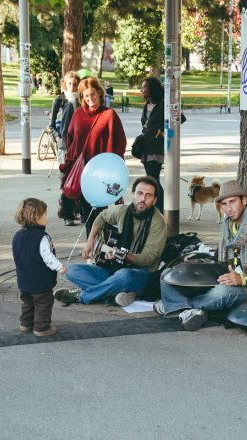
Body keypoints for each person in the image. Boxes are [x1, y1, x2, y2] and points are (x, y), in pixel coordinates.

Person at [154, 180, 247, 332]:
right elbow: (217, 259)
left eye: (232, 202)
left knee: (222, 293)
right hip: (225, 278)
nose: (228, 208)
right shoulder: (228, 226)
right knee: (169, 273)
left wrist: (243, 279)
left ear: (244, 200)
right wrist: (194, 262)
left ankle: (176, 306)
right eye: (224, 204)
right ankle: (193, 311)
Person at [54, 176, 167, 307]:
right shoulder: (123, 211)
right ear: (133, 194)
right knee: (70, 270)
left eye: (148, 195)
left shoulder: (158, 222)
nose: (143, 199)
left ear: (155, 200)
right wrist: (90, 241)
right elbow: (102, 217)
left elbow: (148, 259)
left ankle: (84, 296)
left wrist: (122, 255)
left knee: (124, 276)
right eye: (140, 193)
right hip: (113, 269)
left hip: (141, 275)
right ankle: (115, 294)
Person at [59, 76, 127, 236]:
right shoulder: (77, 115)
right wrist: (69, 164)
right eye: (86, 96)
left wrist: (115, 169)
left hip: (102, 174)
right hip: (82, 173)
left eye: (93, 94)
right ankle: (93, 247)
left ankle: (97, 247)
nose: (90, 99)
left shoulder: (109, 115)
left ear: (100, 93)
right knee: (88, 214)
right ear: (82, 97)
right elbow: (70, 140)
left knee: (99, 213)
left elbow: (120, 143)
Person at [12, 198, 65, 337]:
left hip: (24, 280)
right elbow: (47, 257)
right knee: (43, 303)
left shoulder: (17, 236)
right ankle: (41, 328)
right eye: (44, 215)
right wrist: (60, 267)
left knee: (27, 303)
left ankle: (26, 324)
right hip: (40, 281)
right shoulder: (42, 237)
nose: (46, 218)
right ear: (36, 217)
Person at [139, 77, 185, 213]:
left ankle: (162, 207)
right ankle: (160, 208)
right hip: (146, 147)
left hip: (157, 148)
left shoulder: (164, 104)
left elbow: (180, 119)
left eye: (144, 87)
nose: (141, 90)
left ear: (152, 89)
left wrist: (165, 133)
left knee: (153, 179)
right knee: (152, 178)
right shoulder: (146, 105)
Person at [51, 71, 80, 226]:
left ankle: (77, 210)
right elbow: (53, 125)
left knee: (79, 179)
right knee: (67, 178)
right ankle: (67, 212)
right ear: (65, 84)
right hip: (65, 146)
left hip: (79, 147)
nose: (73, 86)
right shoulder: (60, 100)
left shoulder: (81, 100)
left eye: (75, 83)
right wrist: (60, 141)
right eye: (70, 83)